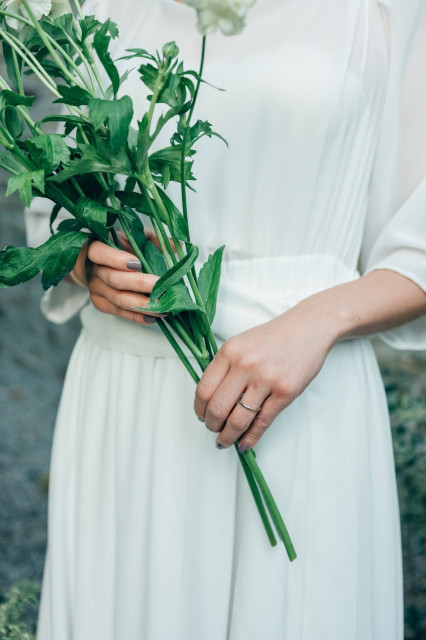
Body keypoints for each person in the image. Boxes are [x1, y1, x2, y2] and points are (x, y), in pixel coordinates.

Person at [25, 0, 426, 638]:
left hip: (299, 391)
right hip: (130, 384)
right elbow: (53, 181)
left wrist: (314, 323)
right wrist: (85, 260)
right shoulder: (64, 11)